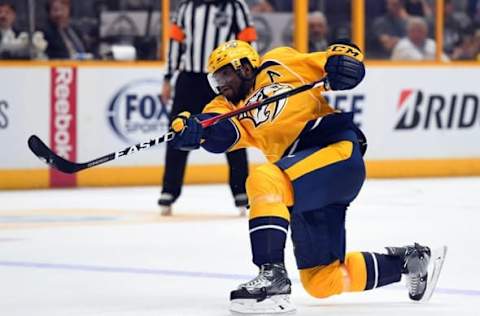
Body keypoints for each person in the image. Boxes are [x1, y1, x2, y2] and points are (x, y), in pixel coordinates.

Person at [167, 39, 447, 314]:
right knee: (322, 281)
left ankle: (272, 277)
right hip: (301, 181)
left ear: (245, 67)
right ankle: (409, 261)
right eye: (216, 78)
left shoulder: (279, 61)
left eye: (225, 73)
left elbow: (336, 61)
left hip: (333, 152)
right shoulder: (225, 106)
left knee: (264, 178)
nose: (221, 83)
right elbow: (219, 134)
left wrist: (345, 61)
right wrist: (195, 130)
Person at [159, 0, 256, 216]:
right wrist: (168, 77)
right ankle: (169, 190)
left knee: (234, 129)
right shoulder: (186, 7)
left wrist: (249, 77)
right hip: (189, 79)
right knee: (178, 129)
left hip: (225, 78)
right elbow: (175, 42)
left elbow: (248, 40)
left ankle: (241, 192)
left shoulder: (235, 6)